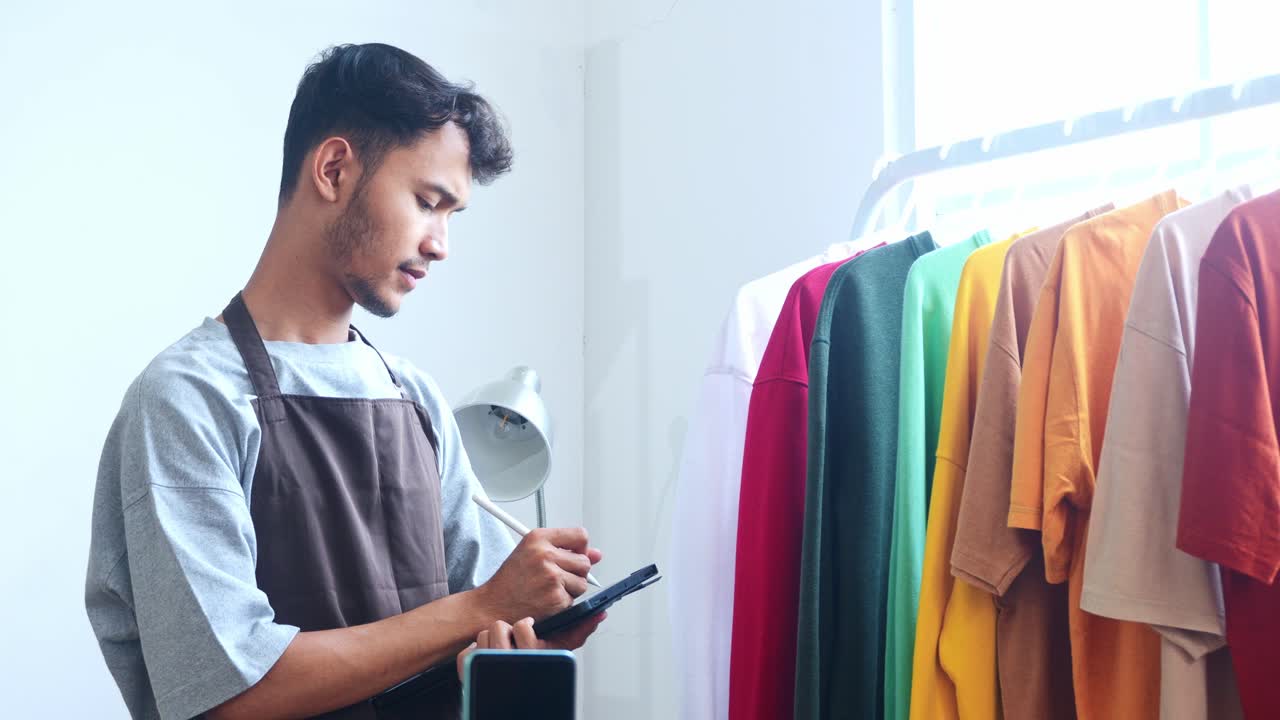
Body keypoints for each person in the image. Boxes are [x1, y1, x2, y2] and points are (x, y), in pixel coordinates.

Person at [84, 42, 603, 720]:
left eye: (452, 215)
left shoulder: (414, 399)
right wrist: (481, 607)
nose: (441, 243)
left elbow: (477, 631)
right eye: (427, 201)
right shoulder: (188, 399)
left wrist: (524, 633)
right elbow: (228, 693)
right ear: (333, 169)